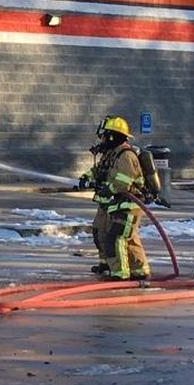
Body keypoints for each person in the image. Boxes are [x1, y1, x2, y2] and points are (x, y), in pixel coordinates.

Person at [78, 116, 151, 281]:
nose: (102, 139)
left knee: (117, 238)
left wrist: (108, 189)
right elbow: (99, 170)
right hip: (113, 204)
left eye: (105, 135)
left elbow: (123, 181)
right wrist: (85, 177)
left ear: (113, 136)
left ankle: (120, 273)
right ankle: (134, 269)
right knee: (102, 233)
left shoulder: (126, 156)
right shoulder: (111, 154)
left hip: (128, 205)